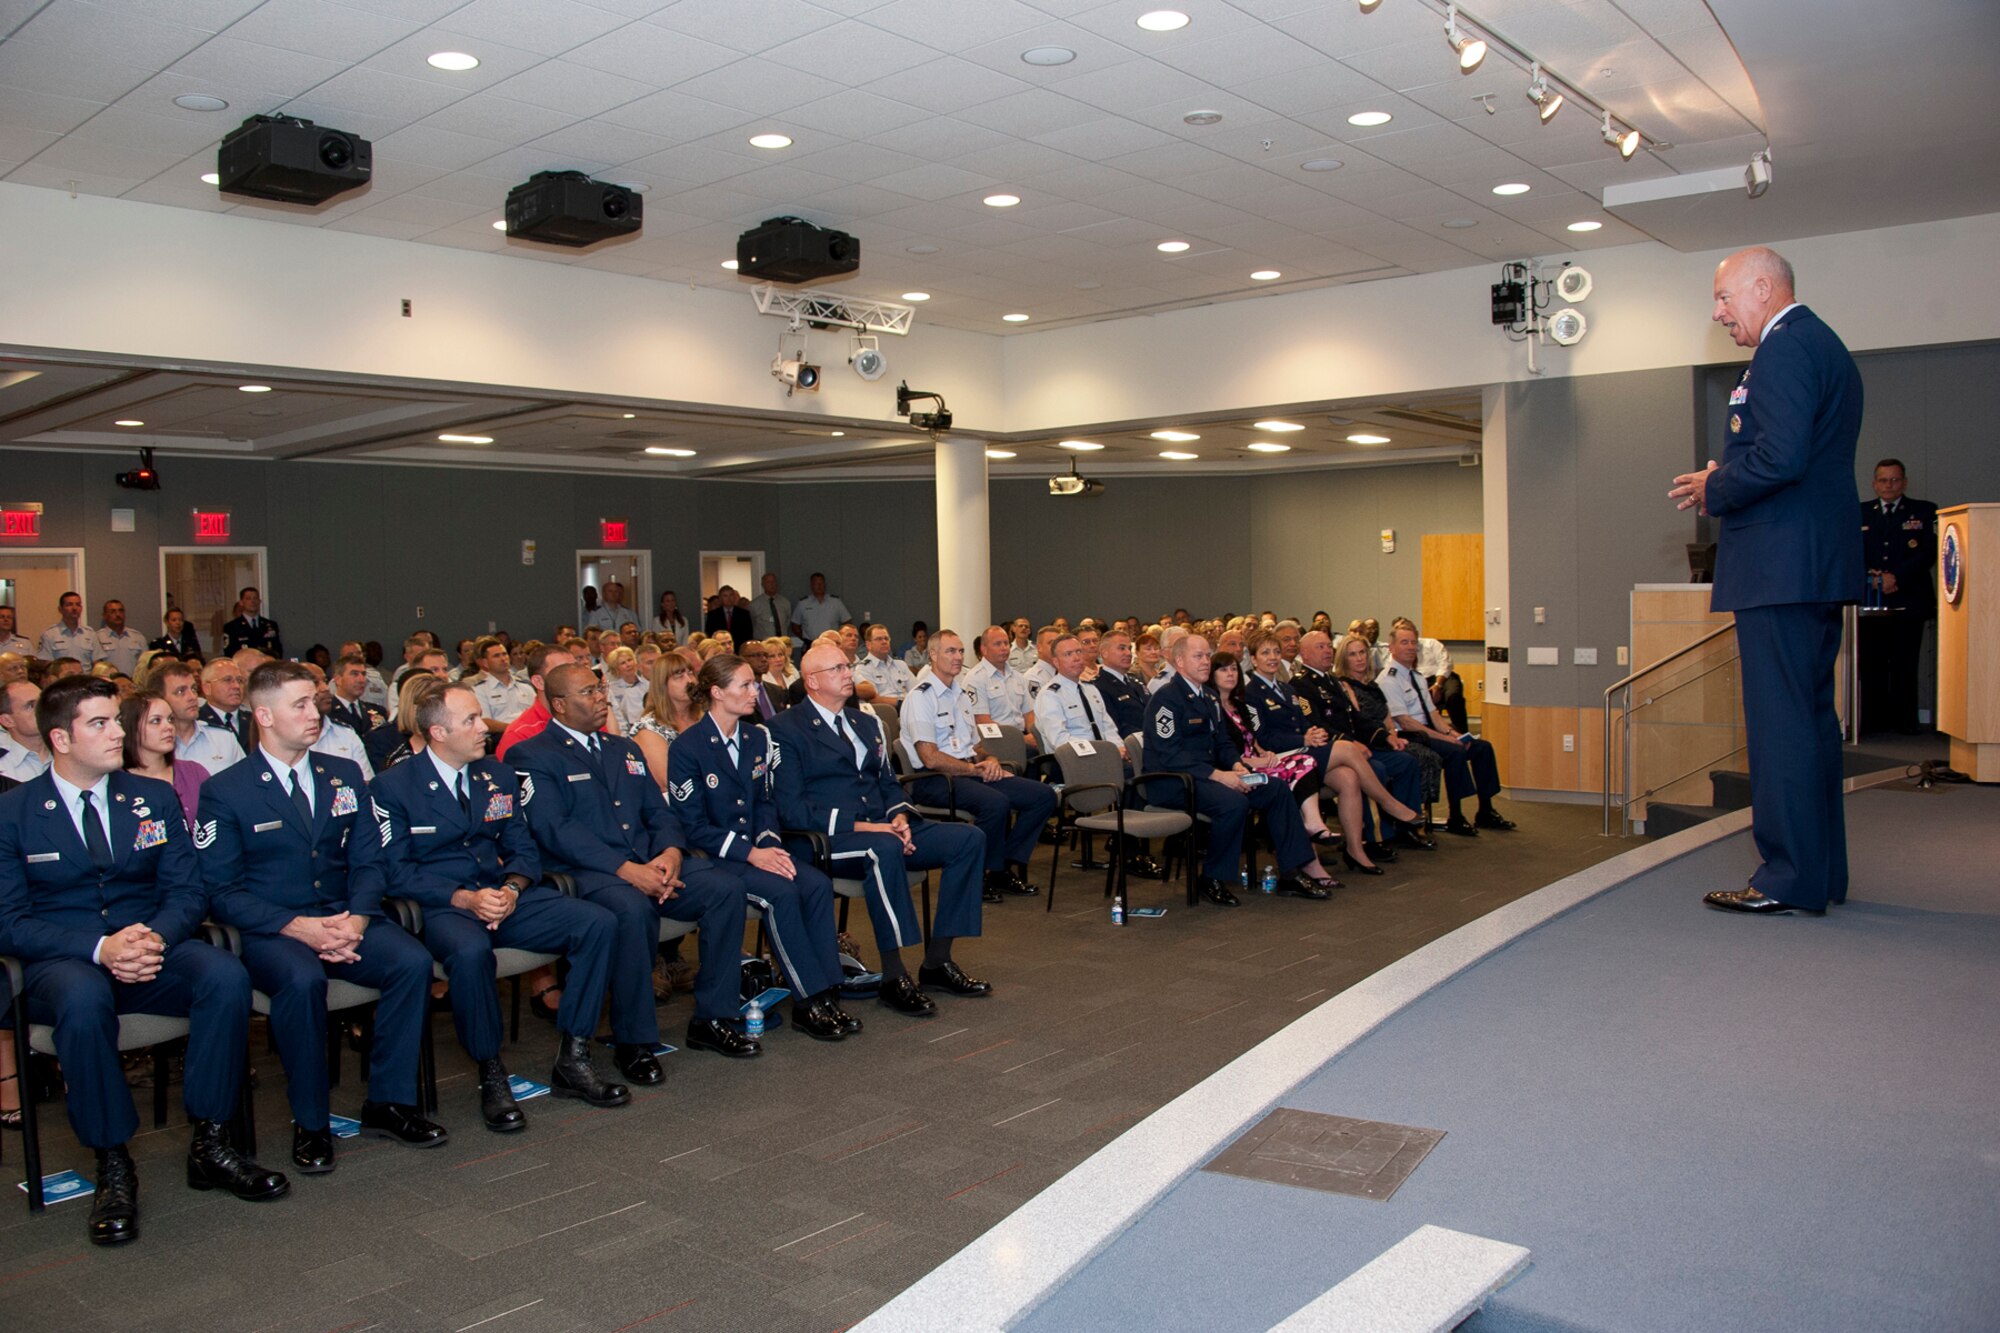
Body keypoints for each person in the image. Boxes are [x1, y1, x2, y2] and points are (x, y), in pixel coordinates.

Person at [0, 675, 289, 1245]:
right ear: (60, 738)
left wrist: (151, 938)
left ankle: (210, 1140)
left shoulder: (152, 797)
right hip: (65, 960)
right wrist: (100, 949)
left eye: (116, 720)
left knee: (225, 975)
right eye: (99, 724)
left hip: (150, 947)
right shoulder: (13, 813)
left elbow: (187, 892)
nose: (117, 733)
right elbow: (10, 920)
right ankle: (112, 1164)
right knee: (83, 999)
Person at [1671, 245, 1862, 916]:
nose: (1718, 313)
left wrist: (1715, 484)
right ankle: (1819, 872)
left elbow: (1781, 456)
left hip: (1781, 566)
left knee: (1782, 728)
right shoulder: (1822, 344)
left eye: (1724, 298)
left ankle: (1785, 876)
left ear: (1762, 288)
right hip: (1807, 563)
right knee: (1810, 726)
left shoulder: (1784, 348)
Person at [196, 661, 446, 1173]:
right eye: (301, 705)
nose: (317, 712)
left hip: (343, 919)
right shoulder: (227, 790)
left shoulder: (344, 773)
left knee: (412, 963)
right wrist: (298, 928)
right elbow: (221, 891)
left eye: (315, 700)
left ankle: (388, 1102)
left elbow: (369, 859)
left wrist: (356, 918)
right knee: (302, 979)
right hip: (274, 930)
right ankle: (311, 1122)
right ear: (263, 715)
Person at [371, 679, 629, 1129]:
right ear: (437, 733)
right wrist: (463, 897)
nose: (483, 728)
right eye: (469, 720)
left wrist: (510, 889)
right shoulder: (394, 787)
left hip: (500, 896)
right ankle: (491, 1072)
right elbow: (395, 872)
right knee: (470, 954)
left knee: (597, 923)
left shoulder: (497, 775)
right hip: (443, 906)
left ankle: (574, 1054)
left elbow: (524, 848)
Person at [514, 664, 751, 1063]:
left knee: (725, 888)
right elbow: (555, 829)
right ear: (558, 704)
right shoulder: (534, 755)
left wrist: (670, 852)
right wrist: (627, 871)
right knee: (632, 909)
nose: (601, 698)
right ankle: (634, 1040)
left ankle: (714, 1017)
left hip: (650, 862)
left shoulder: (622, 749)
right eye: (587, 693)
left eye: (600, 689)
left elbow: (658, 812)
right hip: (588, 875)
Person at [770, 643, 989, 1018]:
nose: (847, 673)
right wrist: (870, 826)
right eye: (836, 668)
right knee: (882, 848)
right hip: (827, 837)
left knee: (968, 839)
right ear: (811, 681)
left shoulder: (866, 723)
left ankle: (937, 962)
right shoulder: (783, 729)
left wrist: (900, 816)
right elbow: (792, 809)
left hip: (884, 826)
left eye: (847, 666)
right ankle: (894, 975)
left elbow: (890, 784)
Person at [665, 655, 859, 1041]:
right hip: (719, 859)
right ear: (717, 693)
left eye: (755, 683)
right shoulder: (688, 748)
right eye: (745, 685)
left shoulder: (756, 737)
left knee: (816, 884)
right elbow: (691, 826)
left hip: (757, 849)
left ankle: (828, 989)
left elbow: (765, 803)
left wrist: (769, 841)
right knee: (782, 894)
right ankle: (809, 1000)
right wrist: (751, 853)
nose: (755, 692)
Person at [1144, 634, 1329, 906]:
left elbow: (1222, 742)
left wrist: (1237, 766)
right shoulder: (1167, 700)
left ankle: (1292, 871)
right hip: (1173, 781)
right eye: (1198, 656)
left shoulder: (1208, 696)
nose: (1206, 661)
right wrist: (1220, 776)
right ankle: (1212, 878)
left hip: (1209, 776)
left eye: (1208, 655)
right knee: (1232, 803)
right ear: (1179, 661)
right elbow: (1170, 755)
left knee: (1275, 789)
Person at [900, 631, 1058, 901]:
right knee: (996, 803)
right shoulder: (921, 697)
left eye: (961, 651)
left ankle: (1002, 866)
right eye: (950, 651)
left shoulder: (959, 694)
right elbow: (930, 756)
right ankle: (980, 874)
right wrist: (975, 770)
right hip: (934, 780)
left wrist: (990, 760)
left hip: (967, 772)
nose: (958, 657)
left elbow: (974, 745)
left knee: (1043, 796)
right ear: (933, 655)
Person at [1380, 624, 1512, 837]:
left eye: (1414, 642)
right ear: (1391, 647)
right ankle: (1456, 816)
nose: (1411, 647)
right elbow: (1406, 722)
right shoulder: (1388, 680)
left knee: (1481, 748)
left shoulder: (1417, 677)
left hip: (1429, 730)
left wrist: (1453, 734)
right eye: (1404, 642)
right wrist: (1446, 739)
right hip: (1411, 736)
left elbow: (1433, 714)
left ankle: (1485, 810)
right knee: (1455, 751)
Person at [1858, 457, 1938, 734]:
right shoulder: (1860, 513)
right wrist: (1874, 577)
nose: (1888, 485)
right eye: (1883, 480)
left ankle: (1905, 724)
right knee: (1871, 664)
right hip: (1871, 598)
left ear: (1904, 482)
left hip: (1909, 600)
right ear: (1874, 484)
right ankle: (1873, 722)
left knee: (1905, 663)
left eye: (1894, 480)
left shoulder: (1924, 512)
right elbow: (1850, 551)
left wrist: (1896, 578)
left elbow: (1927, 552)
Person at [120, 689, 206, 824]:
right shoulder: (118, 783)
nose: (169, 727)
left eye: (170, 719)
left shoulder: (194, 772)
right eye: (156, 721)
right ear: (132, 728)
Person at [1033, 634, 1124, 762]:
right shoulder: (1049, 696)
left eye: (1078, 652)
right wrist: (1100, 751)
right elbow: (1060, 740)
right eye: (1068, 654)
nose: (1076, 658)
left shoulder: (1091, 689)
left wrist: (1118, 747)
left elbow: (1108, 727)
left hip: (1104, 757)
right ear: (1056, 662)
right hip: (1074, 760)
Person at [155, 659, 245, 775]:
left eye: (193, 689)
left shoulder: (224, 739)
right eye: (180, 691)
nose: (192, 697)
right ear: (160, 699)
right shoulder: (153, 745)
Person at [629, 649, 700, 788]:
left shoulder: (703, 719)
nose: (690, 681)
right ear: (663, 685)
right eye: (679, 676)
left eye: (690, 673)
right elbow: (670, 784)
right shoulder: (649, 729)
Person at [964, 624, 1037, 744]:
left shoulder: (1018, 677)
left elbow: (1029, 715)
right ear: (984, 649)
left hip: (1023, 738)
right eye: (997, 644)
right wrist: (1021, 740)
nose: (1004, 647)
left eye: (1006, 643)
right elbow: (982, 722)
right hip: (996, 742)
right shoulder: (975, 679)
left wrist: (1035, 735)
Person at [469, 635, 534, 737]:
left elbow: (539, 714)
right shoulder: (479, 690)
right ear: (485, 663)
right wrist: (514, 728)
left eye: (504, 654)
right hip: (501, 737)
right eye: (496, 656)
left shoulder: (525, 686)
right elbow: (484, 721)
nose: (503, 659)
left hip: (531, 735)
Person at [853, 623, 918, 706]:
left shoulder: (901, 665)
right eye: (879, 639)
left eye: (886, 638)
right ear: (868, 645)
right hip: (887, 711)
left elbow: (916, 690)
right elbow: (873, 699)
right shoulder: (863, 668)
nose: (884, 642)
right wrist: (901, 703)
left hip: (909, 707)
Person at [0, 678, 49, 784]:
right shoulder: (3, 766)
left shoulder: (72, 750)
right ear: (7, 721)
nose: (42, 709)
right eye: (30, 706)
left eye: (42, 702)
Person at [199, 658, 253, 752]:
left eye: (240, 680)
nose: (236, 686)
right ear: (207, 688)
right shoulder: (197, 722)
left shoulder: (255, 722)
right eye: (227, 680)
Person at [326, 652, 386, 736]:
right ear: (338, 679)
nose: (361, 680)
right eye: (354, 674)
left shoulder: (378, 711)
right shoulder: (326, 712)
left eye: (363, 674)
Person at [38, 590, 98, 665]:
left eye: (78, 604)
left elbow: (97, 663)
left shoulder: (90, 634)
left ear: (81, 608)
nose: (74, 608)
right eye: (69, 604)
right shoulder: (49, 635)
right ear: (60, 609)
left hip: (85, 676)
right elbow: (46, 663)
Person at [790, 572, 851, 643]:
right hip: (811, 643)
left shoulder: (836, 602)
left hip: (831, 643)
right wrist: (804, 638)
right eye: (816, 583)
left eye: (821, 583)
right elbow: (795, 625)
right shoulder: (803, 604)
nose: (819, 586)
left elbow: (847, 622)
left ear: (825, 585)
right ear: (811, 585)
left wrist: (839, 638)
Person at [220, 586, 281, 657]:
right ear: (241, 602)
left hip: (267, 665)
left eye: (255, 598)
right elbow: (229, 653)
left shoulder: (271, 625)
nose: (253, 601)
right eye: (248, 599)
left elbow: (278, 650)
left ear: (259, 601)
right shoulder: (231, 627)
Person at [93, 600, 147, 676]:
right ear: (104, 615)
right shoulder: (97, 637)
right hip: (109, 683)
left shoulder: (138, 637)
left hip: (132, 684)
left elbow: (145, 665)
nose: (118, 614)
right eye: (113, 611)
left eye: (121, 611)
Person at [603, 645, 649, 732]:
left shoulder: (647, 685)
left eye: (629, 660)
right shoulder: (611, 689)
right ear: (616, 669)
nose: (628, 665)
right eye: (623, 663)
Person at [748, 572, 791, 646]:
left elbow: (787, 621)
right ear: (763, 585)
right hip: (763, 643)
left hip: (782, 643)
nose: (772, 584)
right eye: (768, 582)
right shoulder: (754, 605)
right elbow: (751, 624)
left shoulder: (785, 602)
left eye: (774, 582)